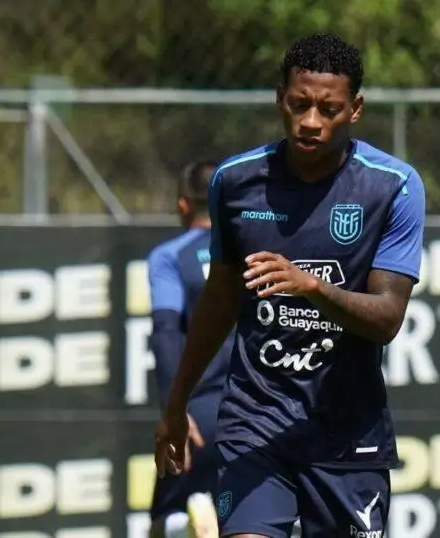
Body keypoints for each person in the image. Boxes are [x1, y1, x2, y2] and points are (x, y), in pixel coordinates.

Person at [154, 33, 426, 538]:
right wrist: (176, 403)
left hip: (347, 434)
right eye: (299, 104)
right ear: (280, 98)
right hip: (255, 423)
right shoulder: (235, 182)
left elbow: (387, 318)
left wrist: (313, 288)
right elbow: (218, 301)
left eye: (329, 109)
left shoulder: (393, 186)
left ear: (355, 109)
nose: (310, 121)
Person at [147, 160, 233, 538]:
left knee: (163, 522)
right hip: (256, 409)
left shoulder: (170, 257)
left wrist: (175, 410)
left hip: (199, 413)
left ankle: (188, 525)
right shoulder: (253, 251)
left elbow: (166, 332)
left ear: (183, 205)